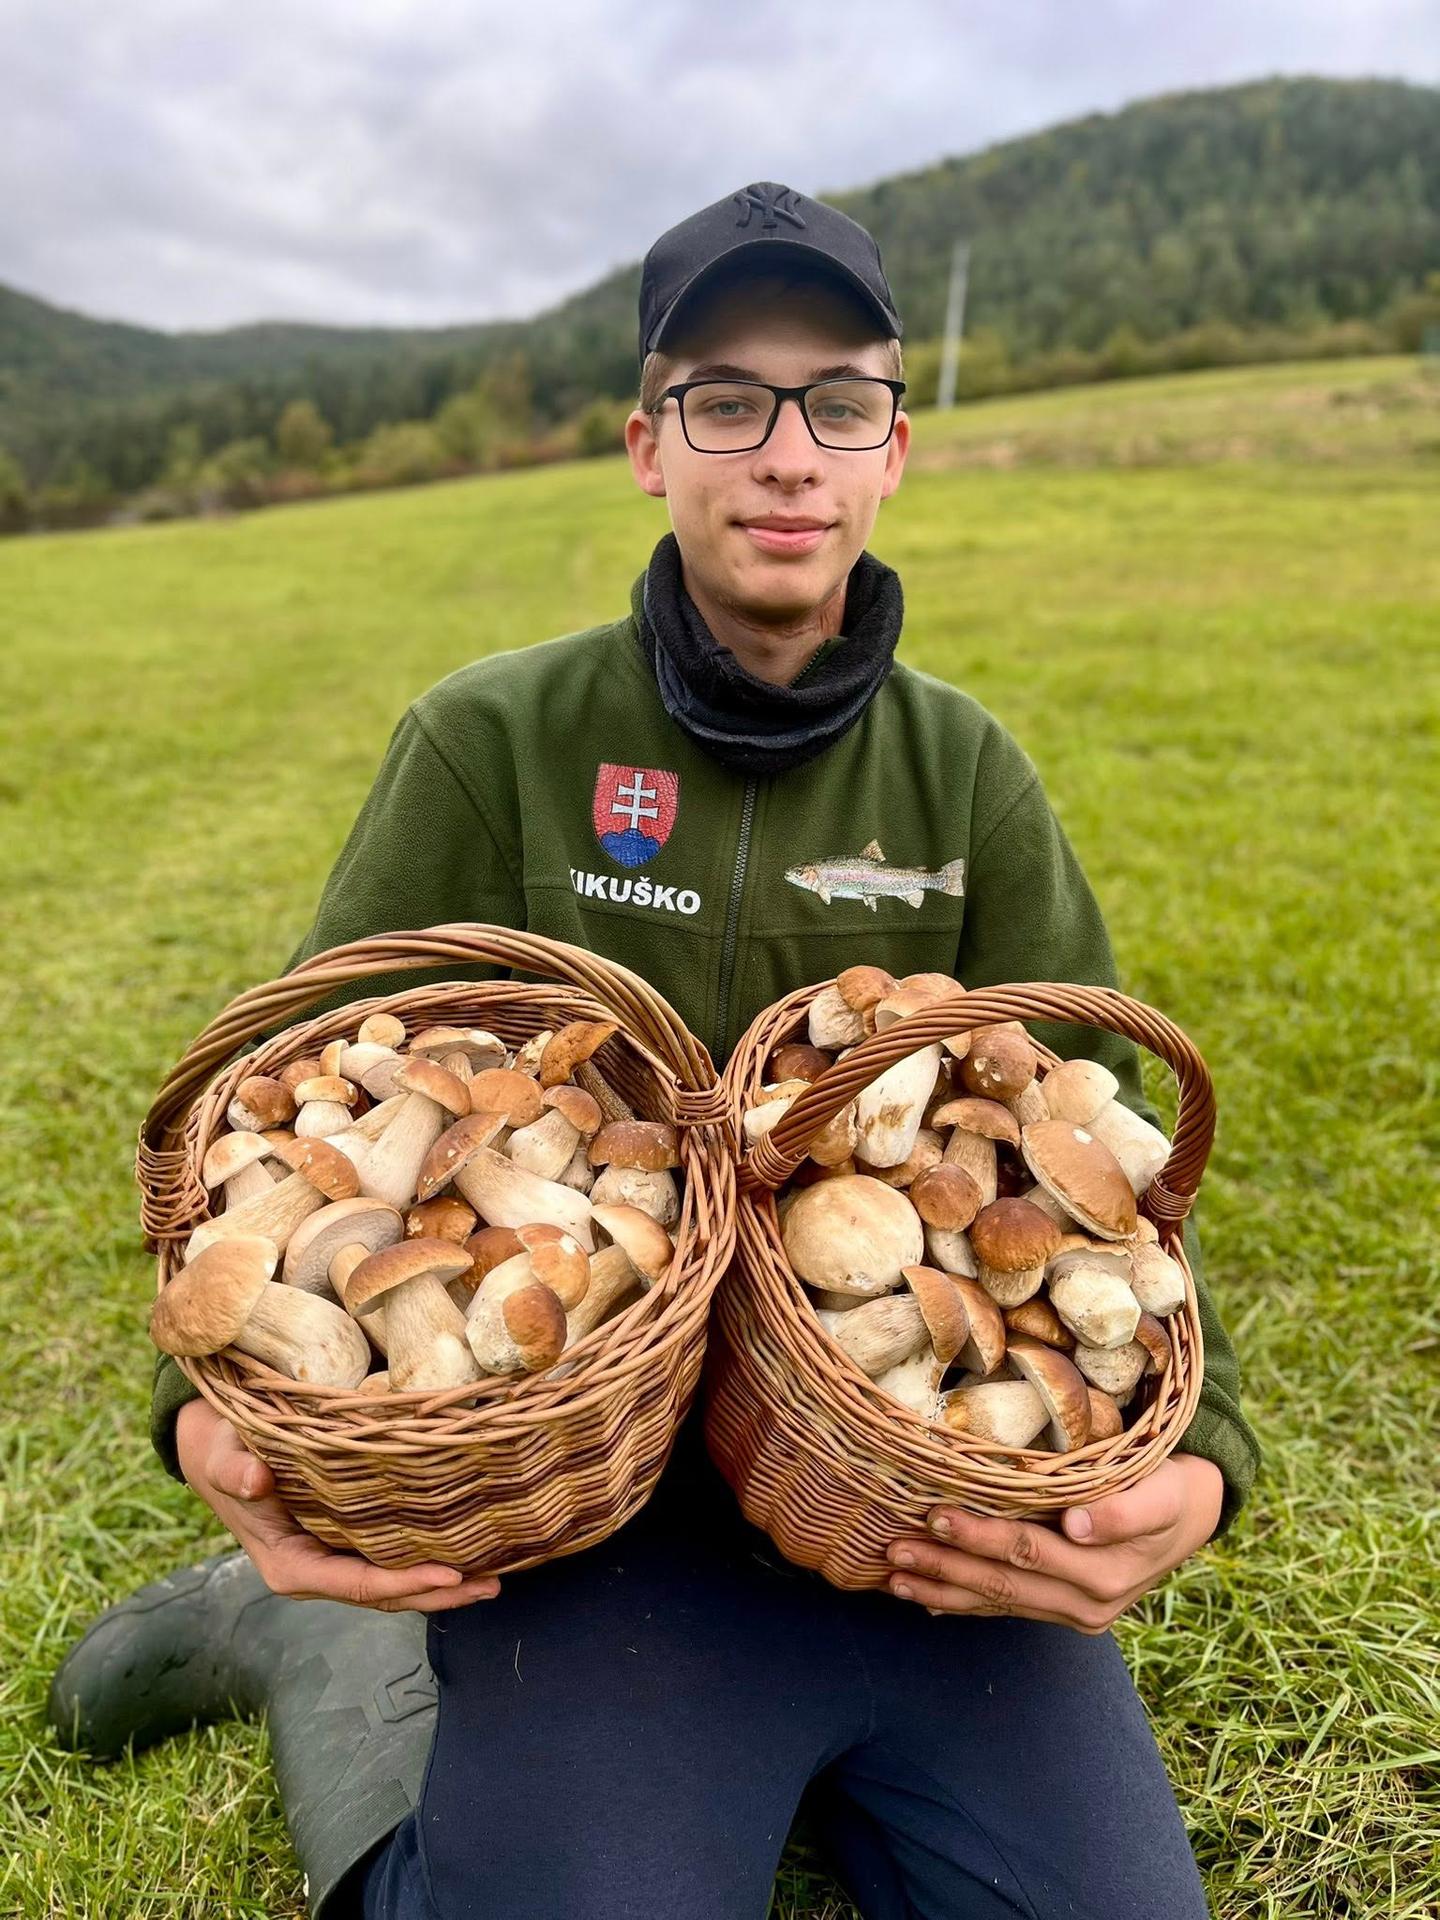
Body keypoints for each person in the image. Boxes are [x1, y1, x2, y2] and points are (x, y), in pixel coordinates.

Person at [50, 182, 1260, 1919]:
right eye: (727, 401)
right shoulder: (494, 744)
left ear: (892, 450)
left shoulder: (963, 776)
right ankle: (312, 1644)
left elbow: (1115, 1151)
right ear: (647, 443)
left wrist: (1212, 1456)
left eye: (838, 402)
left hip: (893, 1507)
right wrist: (211, 1420)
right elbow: (273, 1103)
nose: (788, 454)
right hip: (583, 1510)